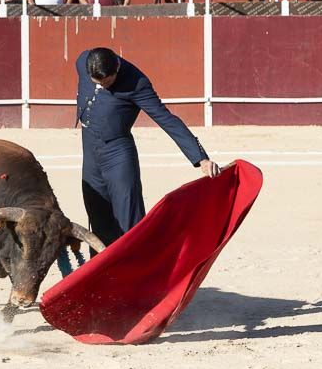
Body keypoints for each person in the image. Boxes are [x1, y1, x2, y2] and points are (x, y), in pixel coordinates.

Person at [76, 46, 220, 248]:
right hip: (90, 153)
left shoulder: (136, 83)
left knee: (129, 221)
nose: (102, 87)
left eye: (107, 82)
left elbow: (166, 119)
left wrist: (200, 158)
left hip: (117, 155)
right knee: (98, 217)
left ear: (116, 69)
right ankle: (103, 274)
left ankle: (137, 269)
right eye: (97, 83)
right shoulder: (83, 61)